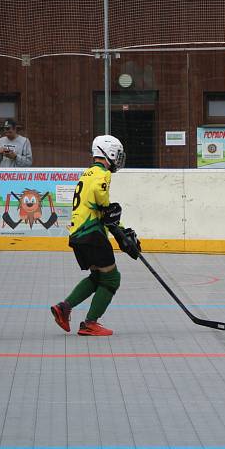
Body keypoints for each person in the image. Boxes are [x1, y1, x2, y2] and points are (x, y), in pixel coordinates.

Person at [50, 135, 140, 336]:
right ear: (109, 153)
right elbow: (102, 203)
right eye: (117, 155)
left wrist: (121, 231)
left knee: (98, 275)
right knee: (112, 279)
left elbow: (101, 212)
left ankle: (64, 308)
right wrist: (110, 210)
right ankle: (90, 323)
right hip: (92, 235)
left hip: (78, 235)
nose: (118, 159)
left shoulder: (87, 174)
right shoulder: (103, 174)